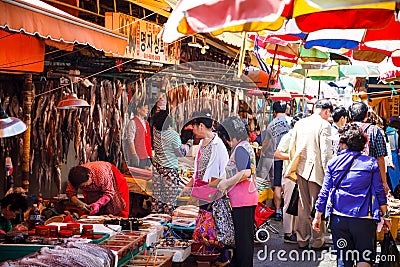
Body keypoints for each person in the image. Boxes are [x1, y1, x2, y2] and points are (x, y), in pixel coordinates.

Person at [313, 123, 390, 267]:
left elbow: (324, 192)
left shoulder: (333, 163)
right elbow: (379, 192)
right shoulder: (371, 163)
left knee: (344, 259)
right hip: (363, 219)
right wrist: (386, 216)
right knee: (365, 258)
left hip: (338, 218)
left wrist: (318, 215)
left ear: (343, 144)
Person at [185, 109, 230, 266]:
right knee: (205, 225)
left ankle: (222, 257)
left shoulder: (219, 146)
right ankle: (209, 255)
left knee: (215, 224)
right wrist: (189, 185)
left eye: (195, 127)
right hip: (201, 190)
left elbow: (224, 172)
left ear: (202, 126)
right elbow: (198, 170)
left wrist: (214, 190)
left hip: (212, 191)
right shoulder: (201, 143)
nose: (194, 130)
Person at [288, 99, 333, 249]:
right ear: (326, 111)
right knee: (317, 206)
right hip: (317, 171)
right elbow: (326, 153)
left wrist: (294, 165)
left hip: (301, 167)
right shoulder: (324, 125)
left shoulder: (300, 123)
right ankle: (317, 241)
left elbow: (292, 147)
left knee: (303, 206)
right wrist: (329, 173)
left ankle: (302, 239)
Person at [217, 116, 259, 267]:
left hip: (243, 200)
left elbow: (246, 172)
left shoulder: (240, 148)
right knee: (244, 240)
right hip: (245, 198)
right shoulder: (245, 145)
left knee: (243, 242)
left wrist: (226, 183)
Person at [274, 112, 307, 244]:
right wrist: (293, 157)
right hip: (289, 174)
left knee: (297, 204)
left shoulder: (300, 136)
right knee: (288, 203)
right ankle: (288, 232)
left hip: (299, 174)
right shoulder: (289, 136)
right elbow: (277, 153)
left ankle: (294, 231)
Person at [151, 110, 191, 214]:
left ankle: (157, 223)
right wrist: (189, 144)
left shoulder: (155, 131)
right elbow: (180, 153)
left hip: (157, 169)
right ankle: (168, 226)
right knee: (169, 201)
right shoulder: (173, 135)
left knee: (157, 199)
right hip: (169, 171)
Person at [257, 101, 291, 221]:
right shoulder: (291, 122)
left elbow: (266, 142)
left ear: (274, 112)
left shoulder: (271, 124)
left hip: (276, 157)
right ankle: (288, 211)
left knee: (277, 185)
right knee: (289, 184)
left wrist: (262, 151)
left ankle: (277, 211)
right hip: (289, 158)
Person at [349, 101, 389, 194]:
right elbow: (380, 158)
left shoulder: (345, 130)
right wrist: (384, 182)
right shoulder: (374, 130)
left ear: (350, 115)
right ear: (366, 115)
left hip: (348, 175)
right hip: (368, 176)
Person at [125, 101, 152, 168]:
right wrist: (134, 154)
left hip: (146, 156)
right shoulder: (133, 122)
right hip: (138, 156)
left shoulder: (146, 123)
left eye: (147, 108)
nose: (147, 110)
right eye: (145, 108)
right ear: (138, 109)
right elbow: (130, 139)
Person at [386, 120, 400, 191]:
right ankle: (396, 190)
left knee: (388, 174)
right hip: (394, 155)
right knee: (396, 175)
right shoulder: (396, 133)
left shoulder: (385, 132)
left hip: (387, 155)